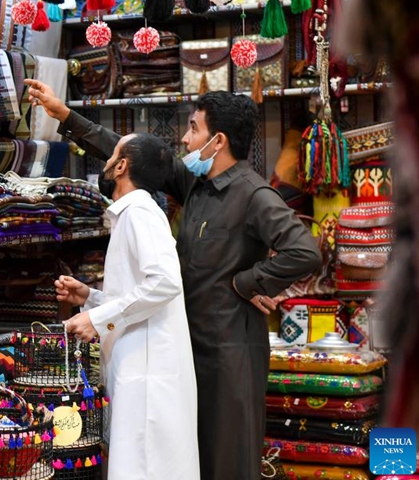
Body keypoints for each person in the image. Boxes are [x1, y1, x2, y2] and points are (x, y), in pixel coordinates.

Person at [27, 78, 322, 480]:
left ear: (217, 141)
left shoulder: (254, 195)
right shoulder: (195, 185)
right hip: (186, 346)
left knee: (227, 459)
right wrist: (66, 116)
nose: (184, 139)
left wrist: (248, 283)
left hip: (229, 352)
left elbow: (304, 251)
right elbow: (136, 157)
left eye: (194, 129)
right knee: (185, 458)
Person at [56, 132, 200, 480]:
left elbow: (164, 283)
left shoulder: (139, 213)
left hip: (148, 374)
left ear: (121, 166)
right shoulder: (134, 213)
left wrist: (98, 318)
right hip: (141, 365)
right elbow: (141, 294)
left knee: (143, 466)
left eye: (115, 153)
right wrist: (90, 298)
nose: (108, 159)